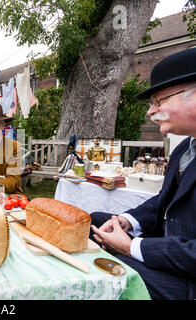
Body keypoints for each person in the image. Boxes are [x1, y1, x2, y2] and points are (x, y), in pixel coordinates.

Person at [90, 47, 196, 300]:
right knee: (94, 221)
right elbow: (164, 200)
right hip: (169, 250)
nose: (150, 112)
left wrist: (131, 247)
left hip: (188, 279)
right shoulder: (185, 147)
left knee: (101, 270)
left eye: (158, 101)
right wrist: (127, 221)